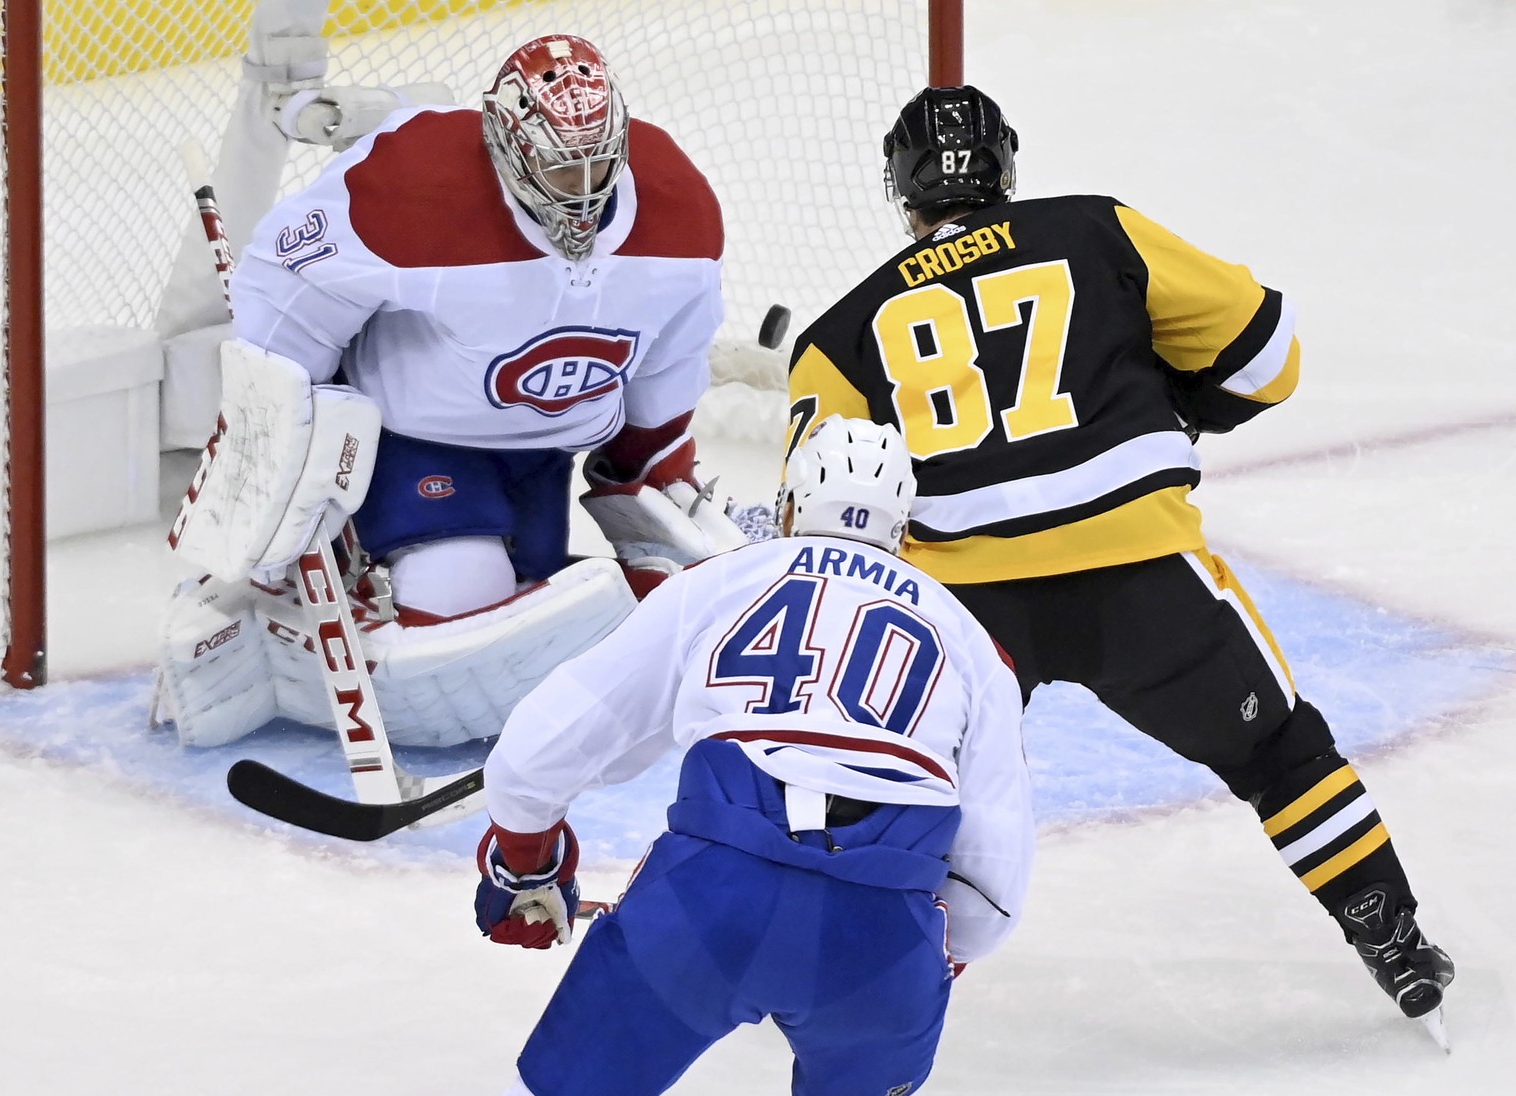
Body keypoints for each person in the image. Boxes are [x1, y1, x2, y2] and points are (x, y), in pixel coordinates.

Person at [782, 86, 1453, 1031]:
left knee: (904, 800)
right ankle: (1392, 938)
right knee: (1277, 752)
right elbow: (1269, 358)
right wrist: (1172, 398)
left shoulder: (842, 330)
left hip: (963, 616)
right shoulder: (1097, 232)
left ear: (902, 188)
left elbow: (820, 515)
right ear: (1006, 165)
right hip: (1138, 582)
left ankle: (853, 1001)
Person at [155, 34, 744, 749]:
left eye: (601, 163)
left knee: (534, 605)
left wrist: (651, 461)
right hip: (417, 442)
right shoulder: (413, 185)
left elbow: (670, 350)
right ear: (509, 143)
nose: (584, 188)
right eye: (562, 168)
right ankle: (286, 630)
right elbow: (289, 274)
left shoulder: (678, 201)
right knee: (459, 594)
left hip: (542, 456)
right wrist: (282, 419)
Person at [472, 416, 1034, 1096]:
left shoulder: (723, 580)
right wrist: (923, 954)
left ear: (789, 505)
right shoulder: (974, 645)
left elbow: (539, 751)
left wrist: (526, 868)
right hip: (880, 942)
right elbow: (992, 881)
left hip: (709, 901)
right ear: (903, 527)